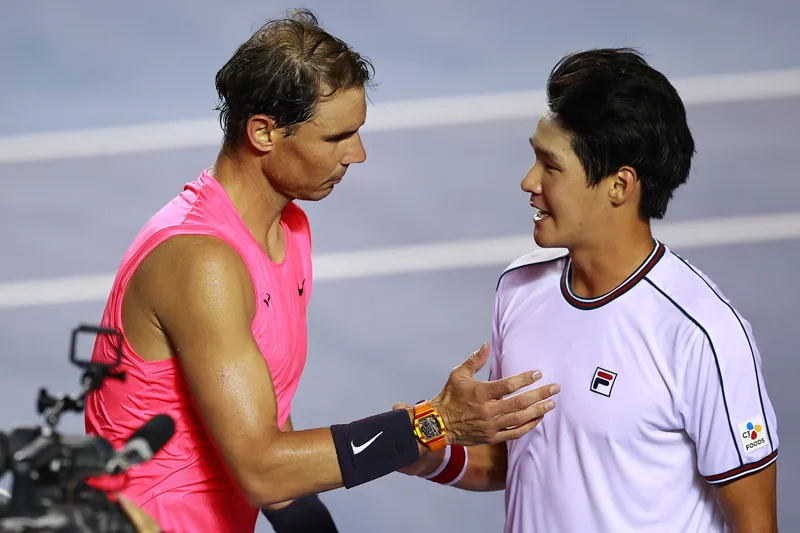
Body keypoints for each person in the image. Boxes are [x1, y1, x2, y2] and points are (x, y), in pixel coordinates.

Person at [82, 8, 560, 533]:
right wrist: (434, 422)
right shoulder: (203, 262)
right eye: (337, 137)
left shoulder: (288, 230)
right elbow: (262, 469)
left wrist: (308, 521)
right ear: (264, 133)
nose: (358, 153)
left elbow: (260, 407)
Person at [400, 48, 779, 532]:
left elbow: (755, 523)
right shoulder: (519, 287)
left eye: (550, 166)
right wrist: (428, 455)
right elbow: (520, 459)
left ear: (619, 185)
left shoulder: (705, 336)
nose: (528, 181)